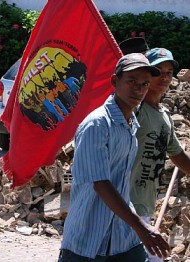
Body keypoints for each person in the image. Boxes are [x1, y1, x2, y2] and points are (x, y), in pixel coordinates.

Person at [59, 53, 170, 261]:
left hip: (122, 237)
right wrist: (143, 228)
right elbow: (101, 183)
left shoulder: (131, 124)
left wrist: (137, 228)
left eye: (145, 84)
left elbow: (119, 184)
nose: (138, 89)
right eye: (131, 81)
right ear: (114, 81)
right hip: (88, 238)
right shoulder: (98, 125)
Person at [130, 48, 190, 262]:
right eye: (158, 71)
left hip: (144, 203)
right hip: (124, 205)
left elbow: (177, 155)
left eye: (169, 71)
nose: (164, 77)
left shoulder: (164, 115)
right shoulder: (133, 109)